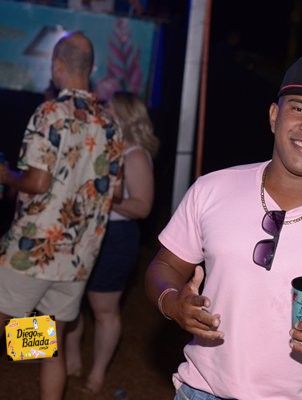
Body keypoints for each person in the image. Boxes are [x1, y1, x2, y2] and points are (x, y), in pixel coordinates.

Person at [145, 55, 302, 400]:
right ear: (273, 116)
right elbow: (165, 265)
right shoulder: (212, 190)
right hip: (201, 391)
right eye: (298, 108)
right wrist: (173, 302)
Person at [0, 32, 122, 400]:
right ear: (92, 68)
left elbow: (37, 182)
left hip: (33, 250)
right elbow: (114, 192)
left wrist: (6, 176)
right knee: (47, 341)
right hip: (77, 256)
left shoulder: (51, 112)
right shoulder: (111, 124)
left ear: (56, 66)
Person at [65, 91, 158, 394]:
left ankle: (97, 373)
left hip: (116, 238)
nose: (103, 111)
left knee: (104, 309)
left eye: (109, 107)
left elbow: (142, 207)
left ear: (125, 116)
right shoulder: (101, 146)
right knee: (69, 302)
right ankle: (69, 357)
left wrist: (103, 197)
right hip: (85, 232)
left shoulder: (135, 155)